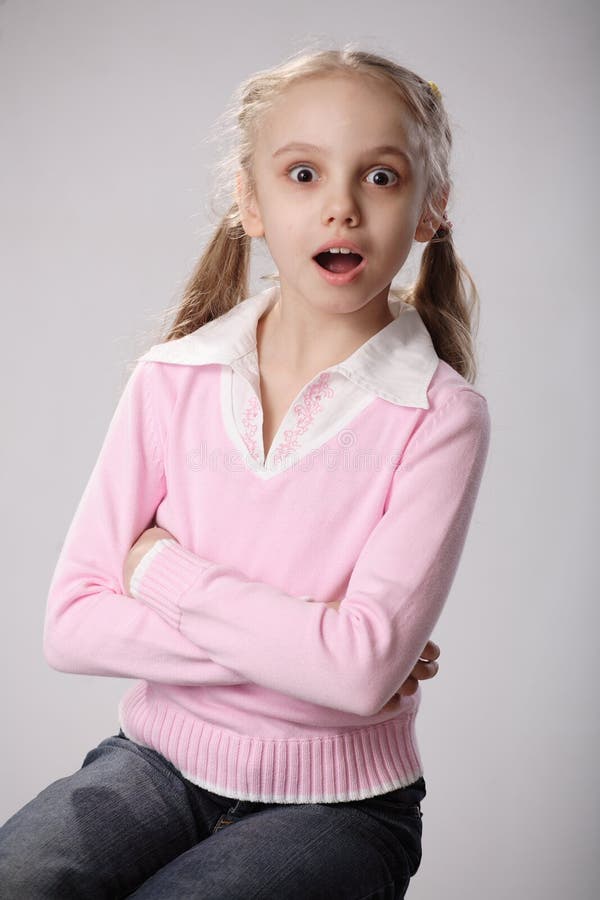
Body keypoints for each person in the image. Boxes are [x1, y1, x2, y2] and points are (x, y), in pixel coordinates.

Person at [0, 44, 491, 899]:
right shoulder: (172, 377)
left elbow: (357, 673)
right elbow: (73, 625)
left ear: (430, 207)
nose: (340, 206)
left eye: (379, 177)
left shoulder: (438, 415)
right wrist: (310, 645)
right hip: (155, 765)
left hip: (341, 808)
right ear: (250, 200)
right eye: (303, 173)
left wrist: (158, 568)